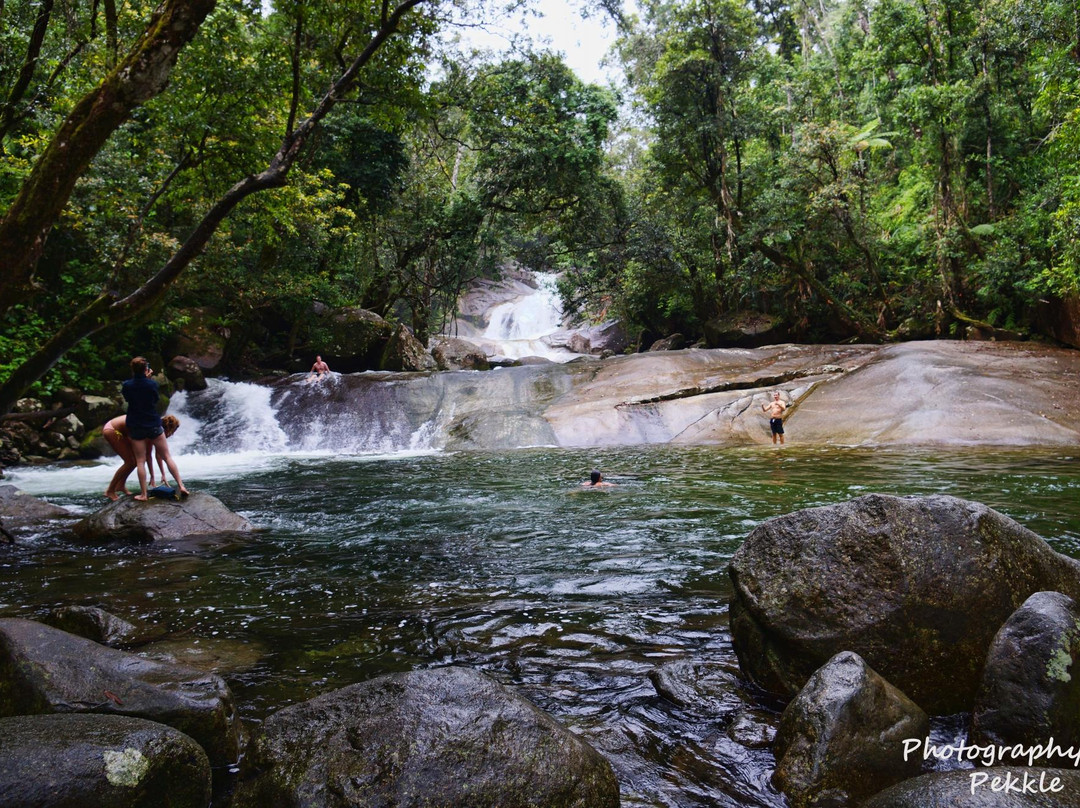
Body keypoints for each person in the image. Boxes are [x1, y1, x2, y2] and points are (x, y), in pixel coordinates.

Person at [122, 357, 189, 501]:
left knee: (140, 461)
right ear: (146, 369)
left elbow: (128, 399)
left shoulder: (127, 385)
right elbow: (154, 399)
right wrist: (148, 379)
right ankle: (181, 485)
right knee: (167, 457)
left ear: (132, 369)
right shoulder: (152, 384)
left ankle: (144, 494)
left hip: (136, 424)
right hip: (153, 423)